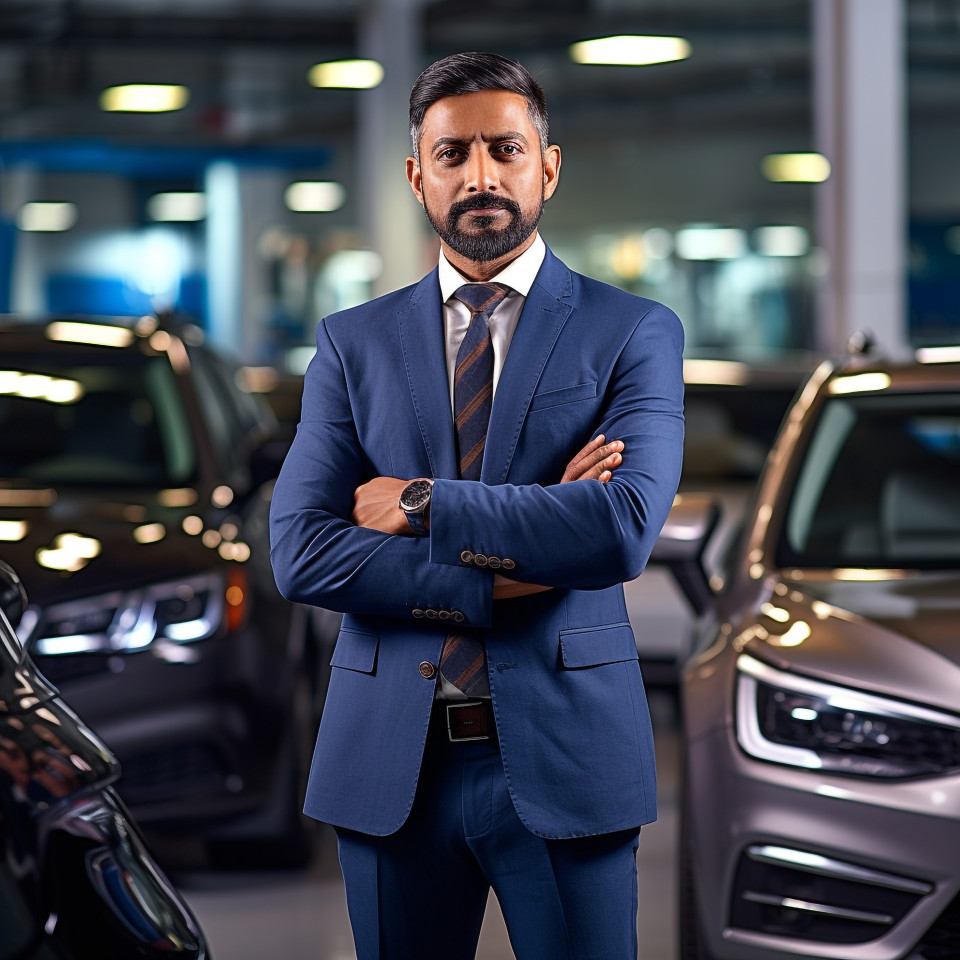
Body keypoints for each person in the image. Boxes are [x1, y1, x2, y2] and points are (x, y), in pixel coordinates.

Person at [270, 51, 684, 960]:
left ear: (549, 164)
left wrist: (420, 502)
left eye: (505, 148)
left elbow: (617, 531)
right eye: (453, 154)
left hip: (568, 758)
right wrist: (512, 573)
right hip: (389, 762)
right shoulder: (352, 345)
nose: (482, 176)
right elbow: (303, 553)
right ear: (419, 177)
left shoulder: (633, 333)